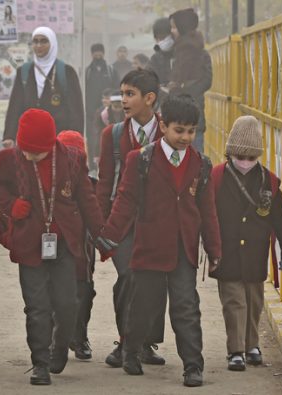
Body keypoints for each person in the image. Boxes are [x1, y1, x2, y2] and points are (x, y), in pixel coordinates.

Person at [99, 94, 222, 387]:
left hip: (184, 250)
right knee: (144, 304)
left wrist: (215, 249)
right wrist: (109, 238)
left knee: (186, 306)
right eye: (179, 130)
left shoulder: (201, 165)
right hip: (150, 246)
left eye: (191, 131)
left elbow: (208, 212)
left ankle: (193, 365)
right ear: (163, 126)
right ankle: (130, 350)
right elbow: (126, 201)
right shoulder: (140, 159)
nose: (185, 137)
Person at [0, 109, 105, 386]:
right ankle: (40, 363)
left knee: (67, 302)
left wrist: (101, 237)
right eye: (26, 151)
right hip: (29, 243)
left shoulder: (72, 160)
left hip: (63, 243)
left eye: (36, 153)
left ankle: (59, 347)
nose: (30, 157)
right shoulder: (10, 159)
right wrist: (11, 204)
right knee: (36, 306)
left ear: (50, 145)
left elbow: (87, 200)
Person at [209, 115, 282, 371]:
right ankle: (236, 350)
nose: (245, 162)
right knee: (234, 301)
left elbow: (280, 218)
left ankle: (251, 345)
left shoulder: (268, 181)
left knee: (254, 301)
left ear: (258, 156)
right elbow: (205, 214)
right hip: (227, 252)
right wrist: (202, 246)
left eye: (251, 158)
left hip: (256, 253)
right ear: (229, 153)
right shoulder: (217, 178)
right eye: (239, 157)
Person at [96, 69, 167, 370]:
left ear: (149, 98)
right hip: (121, 221)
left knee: (154, 280)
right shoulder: (111, 135)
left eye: (130, 94)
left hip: (158, 222)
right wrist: (99, 226)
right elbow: (103, 183)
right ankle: (127, 341)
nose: (123, 100)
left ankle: (146, 343)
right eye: (122, 93)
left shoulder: (169, 132)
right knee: (128, 276)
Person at [2, 27, 84, 148]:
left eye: (44, 41)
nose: (38, 45)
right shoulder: (24, 72)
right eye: (35, 41)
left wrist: (75, 139)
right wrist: (9, 135)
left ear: (52, 43)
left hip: (58, 140)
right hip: (29, 139)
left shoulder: (66, 72)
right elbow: (15, 106)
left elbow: (76, 110)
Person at [57, 131, 98, 361]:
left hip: (83, 253)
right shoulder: (50, 185)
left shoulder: (90, 185)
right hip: (56, 251)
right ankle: (57, 339)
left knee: (84, 294)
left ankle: (79, 337)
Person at [167, 8, 213, 154]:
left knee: (194, 160)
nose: (172, 31)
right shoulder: (175, 51)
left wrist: (181, 90)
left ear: (182, 27)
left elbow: (206, 81)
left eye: (174, 27)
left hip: (190, 116)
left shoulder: (198, 53)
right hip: (184, 116)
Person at [84, 43, 115, 170]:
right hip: (91, 111)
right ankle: (92, 165)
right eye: (95, 52)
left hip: (109, 111)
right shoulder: (87, 71)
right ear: (91, 54)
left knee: (109, 137)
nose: (98, 54)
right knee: (92, 137)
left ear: (103, 53)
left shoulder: (110, 70)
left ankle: (108, 164)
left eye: (100, 52)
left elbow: (117, 89)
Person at [91, 90, 125, 167]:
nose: (118, 109)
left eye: (120, 107)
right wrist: (97, 155)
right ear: (111, 104)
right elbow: (98, 136)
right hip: (108, 149)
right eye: (115, 107)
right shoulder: (102, 116)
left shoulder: (129, 115)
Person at [148, 18, 174, 94]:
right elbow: (148, 80)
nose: (162, 41)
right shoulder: (155, 59)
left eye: (164, 37)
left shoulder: (182, 55)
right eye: (158, 38)